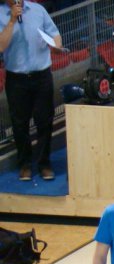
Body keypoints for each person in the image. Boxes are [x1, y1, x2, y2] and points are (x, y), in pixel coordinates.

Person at [0, 0, 63, 181]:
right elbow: (1, 46)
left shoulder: (38, 10)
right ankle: (25, 165)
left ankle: (44, 163)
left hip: (42, 75)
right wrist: (11, 21)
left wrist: (57, 46)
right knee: (20, 124)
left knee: (45, 121)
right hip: (16, 78)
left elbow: (55, 34)